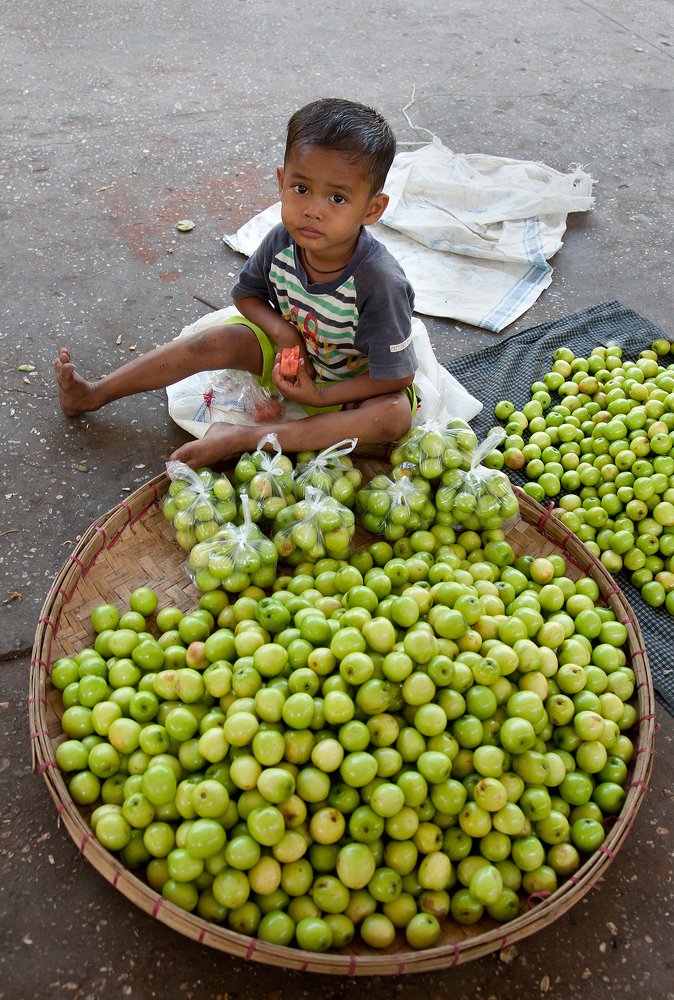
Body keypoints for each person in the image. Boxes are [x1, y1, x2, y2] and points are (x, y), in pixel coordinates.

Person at [55, 97, 418, 468]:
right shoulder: (282, 241)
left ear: (372, 210)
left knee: (392, 416)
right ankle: (94, 393)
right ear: (281, 182)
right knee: (216, 339)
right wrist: (284, 335)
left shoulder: (379, 282)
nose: (313, 209)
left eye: (337, 197)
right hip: (288, 360)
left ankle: (242, 437)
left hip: (349, 386)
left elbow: (397, 375)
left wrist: (322, 397)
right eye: (301, 189)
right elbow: (247, 297)